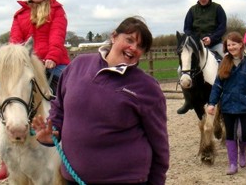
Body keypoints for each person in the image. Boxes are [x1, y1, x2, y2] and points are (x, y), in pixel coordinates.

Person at [32, 16, 169, 185]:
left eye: (140, 46)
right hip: (73, 179)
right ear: (113, 36)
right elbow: (59, 108)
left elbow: (159, 144)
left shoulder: (147, 88)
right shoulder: (78, 66)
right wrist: (51, 133)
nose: (133, 48)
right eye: (129, 39)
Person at [0, 0, 70, 181]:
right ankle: (5, 159)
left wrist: (52, 56)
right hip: (26, 64)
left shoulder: (57, 11)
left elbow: (57, 35)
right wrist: (13, 61)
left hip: (53, 63)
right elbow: (15, 41)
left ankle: (76, 148)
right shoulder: (19, 15)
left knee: (73, 93)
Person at [207, 31, 246, 175]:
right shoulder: (224, 62)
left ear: (241, 45)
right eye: (228, 45)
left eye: (233, 44)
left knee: (244, 134)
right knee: (230, 134)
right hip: (228, 105)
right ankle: (232, 164)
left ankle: (242, 151)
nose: (231, 47)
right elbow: (217, 85)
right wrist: (212, 103)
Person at [178, 0, 227, 114]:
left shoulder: (218, 8)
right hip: (197, 45)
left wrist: (212, 38)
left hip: (214, 43)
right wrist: (196, 40)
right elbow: (187, 28)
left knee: (227, 61)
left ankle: (228, 94)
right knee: (180, 70)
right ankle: (188, 100)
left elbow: (222, 27)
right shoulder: (192, 10)